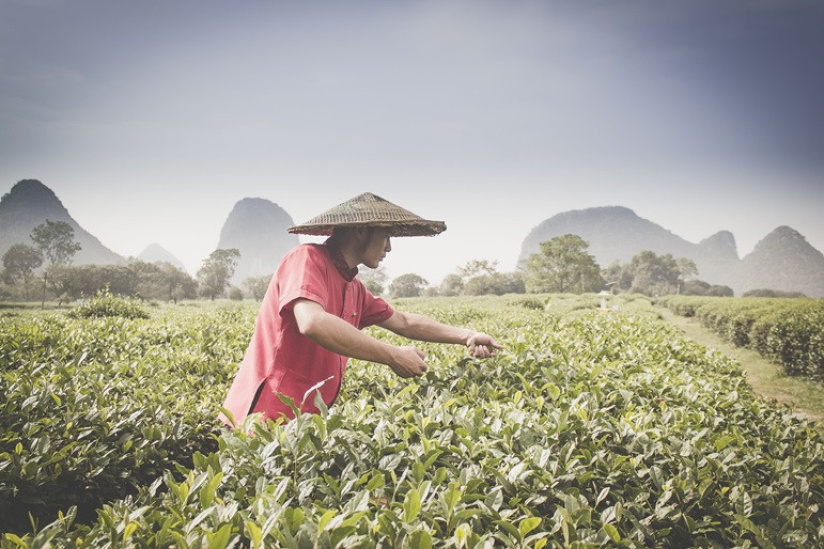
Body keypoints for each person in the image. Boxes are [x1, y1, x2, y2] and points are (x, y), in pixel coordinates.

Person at [220, 192, 501, 427]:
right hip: (263, 419)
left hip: (306, 422)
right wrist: (392, 355)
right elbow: (312, 322)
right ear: (360, 231)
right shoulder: (306, 259)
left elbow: (404, 322)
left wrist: (467, 335)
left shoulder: (354, 288)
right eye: (386, 236)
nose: (389, 248)